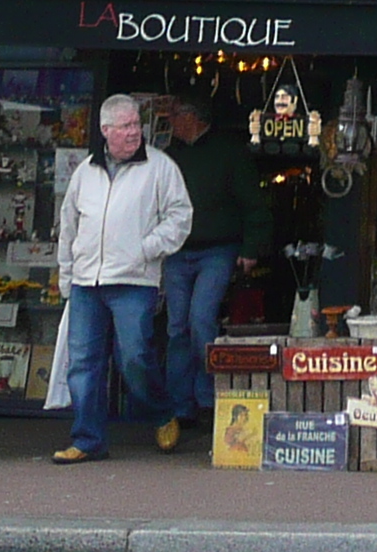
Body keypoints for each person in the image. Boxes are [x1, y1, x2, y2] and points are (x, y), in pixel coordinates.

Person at [49, 94, 191, 466]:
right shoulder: (85, 171)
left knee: (135, 358)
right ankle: (88, 439)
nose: (133, 132)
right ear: (105, 130)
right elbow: (69, 226)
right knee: (82, 364)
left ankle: (162, 412)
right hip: (86, 282)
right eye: (125, 126)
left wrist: (146, 249)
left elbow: (180, 217)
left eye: (135, 125)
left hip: (133, 280)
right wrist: (67, 276)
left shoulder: (161, 167)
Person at [157, 94, 269, 452]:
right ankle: (180, 407)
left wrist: (251, 249)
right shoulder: (167, 156)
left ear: (193, 117)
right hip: (176, 251)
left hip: (217, 249)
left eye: (176, 115)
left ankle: (206, 400)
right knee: (177, 327)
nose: (171, 121)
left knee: (201, 320)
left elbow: (253, 203)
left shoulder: (229, 153)